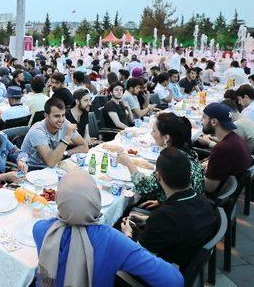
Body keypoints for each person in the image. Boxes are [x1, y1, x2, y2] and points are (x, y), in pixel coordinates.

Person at [33, 172, 184, 287]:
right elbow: (174, 281)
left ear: (58, 200)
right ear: (96, 201)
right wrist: (127, 242)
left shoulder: (40, 230)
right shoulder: (112, 240)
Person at [120, 147, 219, 272]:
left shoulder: (165, 216)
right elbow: (181, 223)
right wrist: (148, 219)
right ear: (189, 174)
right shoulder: (202, 200)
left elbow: (137, 258)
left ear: (158, 176)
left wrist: (127, 234)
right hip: (183, 254)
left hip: (164, 271)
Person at [118, 113, 205, 206]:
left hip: (179, 213)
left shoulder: (172, 160)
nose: (151, 134)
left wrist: (128, 163)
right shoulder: (189, 152)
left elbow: (145, 189)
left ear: (166, 137)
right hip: (193, 205)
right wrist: (162, 200)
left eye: (154, 131)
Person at [21, 97, 89, 168]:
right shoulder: (37, 131)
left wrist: (65, 153)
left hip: (54, 166)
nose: (61, 120)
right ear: (46, 116)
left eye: (63, 115)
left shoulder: (65, 123)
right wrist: (67, 137)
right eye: (57, 116)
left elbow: (84, 147)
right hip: (32, 170)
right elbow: (50, 162)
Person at [201, 103, 252, 195]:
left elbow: (209, 187)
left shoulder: (223, 148)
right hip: (225, 184)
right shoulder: (234, 138)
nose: (201, 120)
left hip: (212, 196)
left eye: (204, 117)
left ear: (214, 122)